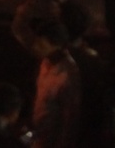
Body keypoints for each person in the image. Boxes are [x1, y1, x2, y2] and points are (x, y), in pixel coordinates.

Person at [27, 19, 82, 148]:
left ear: (57, 45)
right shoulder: (45, 63)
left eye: (41, 45)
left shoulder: (67, 76)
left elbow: (69, 119)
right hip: (37, 136)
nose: (35, 47)